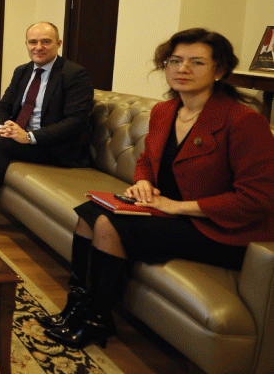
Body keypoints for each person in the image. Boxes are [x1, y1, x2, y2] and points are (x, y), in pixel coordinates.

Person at [41, 28, 274, 349]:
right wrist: (143, 183)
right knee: (88, 212)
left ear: (219, 70)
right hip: (169, 212)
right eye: (175, 61)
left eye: (196, 62)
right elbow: (147, 161)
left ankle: (97, 318)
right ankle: (77, 305)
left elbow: (256, 199)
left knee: (108, 223)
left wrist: (176, 207)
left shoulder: (244, 122)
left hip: (220, 229)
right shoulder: (165, 111)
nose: (182, 69)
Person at [0, 22, 93, 229]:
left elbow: (76, 121)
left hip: (54, 145)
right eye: (33, 42)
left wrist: (28, 137)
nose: (38, 47)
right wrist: (0, 128)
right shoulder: (23, 71)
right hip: (21, 133)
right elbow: (4, 105)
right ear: (26, 44)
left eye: (46, 42)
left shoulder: (75, 74)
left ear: (58, 43)